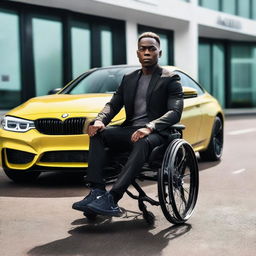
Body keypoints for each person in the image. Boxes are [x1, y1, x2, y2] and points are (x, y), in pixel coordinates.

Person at [72, 32, 184, 217]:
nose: (147, 52)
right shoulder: (129, 78)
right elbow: (113, 105)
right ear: (138, 53)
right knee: (98, 133)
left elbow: (175, 112)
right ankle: (97, 191)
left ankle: (112, 198)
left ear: (159, 53)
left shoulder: (170, 79)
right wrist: (100, 120)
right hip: (130, 130)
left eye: (151, 49)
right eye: (143, 49)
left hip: (158, 133)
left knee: (141, 141)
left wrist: (149, 127)